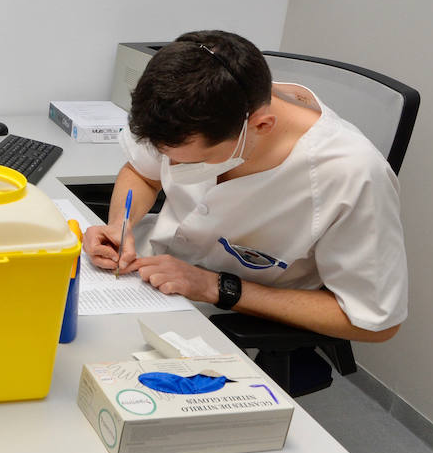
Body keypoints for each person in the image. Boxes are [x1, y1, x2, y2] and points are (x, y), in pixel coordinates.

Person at [84, 30, 406, 343]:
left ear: (261, 126)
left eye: (189, 162)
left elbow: (375, 324)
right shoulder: (187, 110)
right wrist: (120, 225)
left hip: (223, 320)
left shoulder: (351, 173)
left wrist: (217, 287)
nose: (173, 168)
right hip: (138, 282)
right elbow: (142, 173)